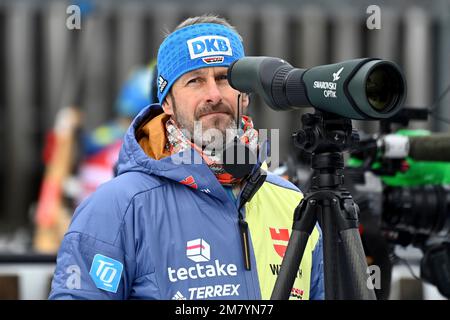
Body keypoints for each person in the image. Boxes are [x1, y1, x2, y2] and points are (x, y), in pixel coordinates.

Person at [49, 14, 324, 300]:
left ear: (245, 95)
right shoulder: (118, 207)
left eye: (225, 78)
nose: (214, 95)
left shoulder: (293, 203)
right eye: (195, 81)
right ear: (166, 101)